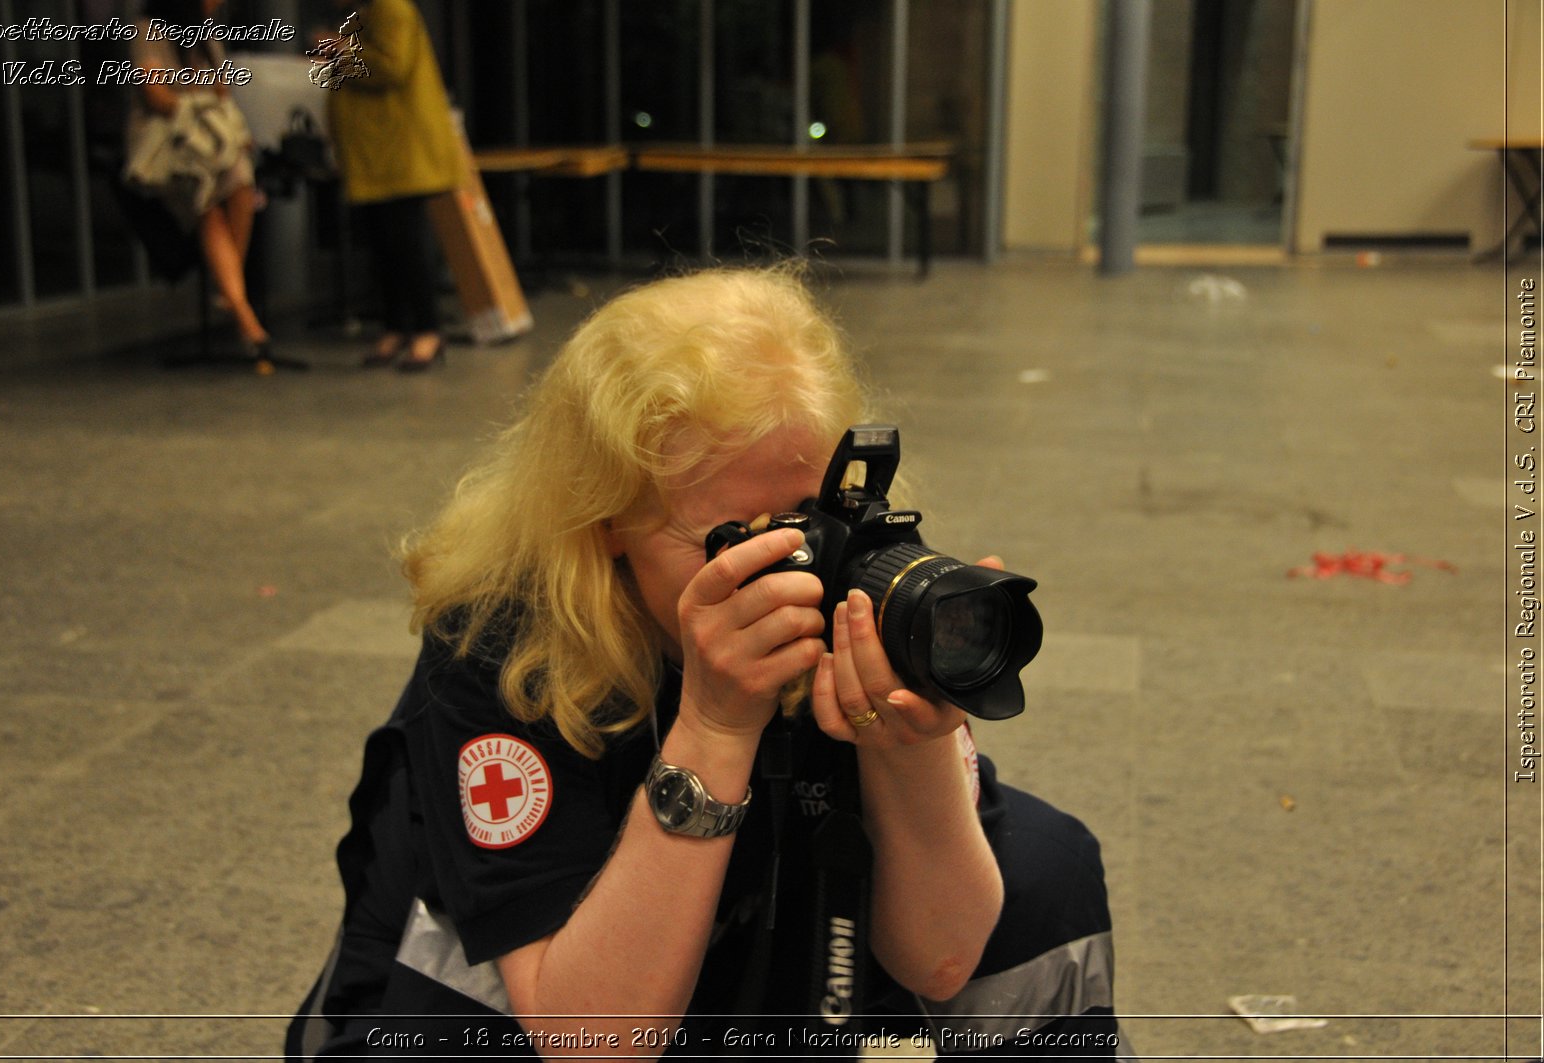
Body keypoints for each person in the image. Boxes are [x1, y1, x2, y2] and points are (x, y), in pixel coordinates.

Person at [287, 266, 1128, 1059]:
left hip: (755, 935)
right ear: (604, 520)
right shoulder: (506, 642)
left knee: (1044, 869)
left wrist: (912, 750)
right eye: (736, 539)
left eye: (810, 519)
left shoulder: (852, 586)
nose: (791, 566)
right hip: (537, 995)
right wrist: (715, 727)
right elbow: (596, 1041)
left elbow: (942, 960)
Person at [126, 0, 273, 365]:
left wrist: (198, 97)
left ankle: (230, 291)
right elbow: (158, 97)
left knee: (240, 179)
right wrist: (200, 97)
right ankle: (243, 313)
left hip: (209, 140)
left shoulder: (206, 35)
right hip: (171, 147)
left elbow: (221, 91)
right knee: (206, 201)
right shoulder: (149, 30)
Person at [325, 0, 466, 373]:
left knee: (406, 243)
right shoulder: (363, 13)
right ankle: (396, 327)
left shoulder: (391, 7)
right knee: (383, 244)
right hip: (376, 155)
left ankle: (427, 329)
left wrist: (337, 51)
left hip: (400, 152)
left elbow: (392, 65)